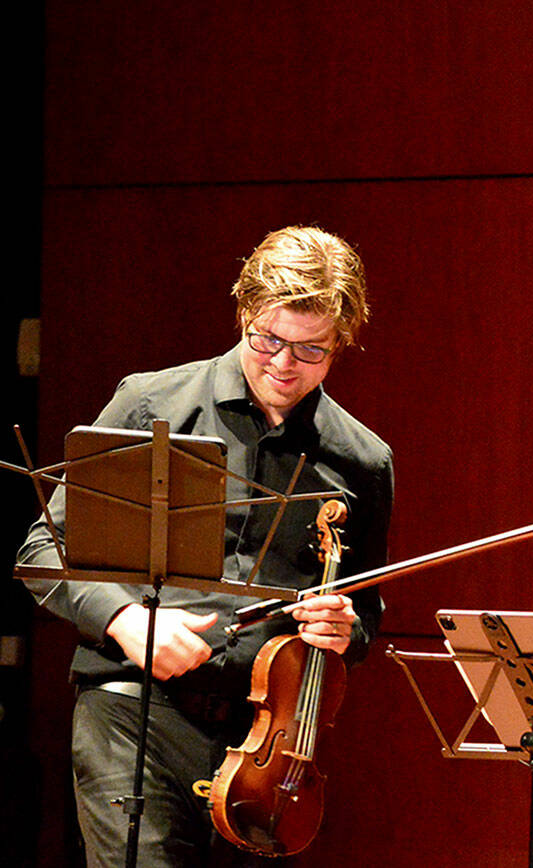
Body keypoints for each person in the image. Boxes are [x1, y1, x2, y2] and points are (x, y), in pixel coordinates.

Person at [18, 226, 394, 867]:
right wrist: (126, 619)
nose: (282, 364)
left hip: (263, 746)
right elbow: (43, 551)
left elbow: (365, 616)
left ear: (342, 343)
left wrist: (345, 630)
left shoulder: (362, 460)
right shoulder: (150, 404)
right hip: (132, 714)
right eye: (269, 339)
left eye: (310, 351)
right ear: (244, 313)